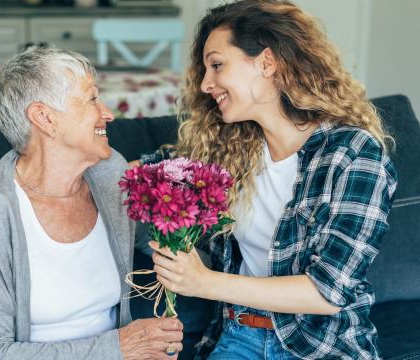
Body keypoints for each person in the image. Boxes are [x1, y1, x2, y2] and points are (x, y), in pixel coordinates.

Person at [144, 1, 398, 359]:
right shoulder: (227, 150)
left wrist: (204, 282)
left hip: (322, 346)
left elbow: (327, 292)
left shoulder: (353, 153)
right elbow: (150, 177)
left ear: (266, 62)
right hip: (239, 336)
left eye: (216, 65)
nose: (205, 84)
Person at [0, 46, 183, 360]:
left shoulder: (111, 174)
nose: (108, 113)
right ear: (45, 118)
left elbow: (163, 245)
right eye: (92, 98)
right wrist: (120, 348)